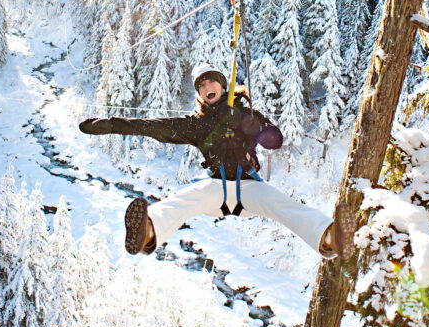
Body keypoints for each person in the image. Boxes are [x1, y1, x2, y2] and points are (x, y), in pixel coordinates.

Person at [79, 63, 338, 259]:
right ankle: (147, 231)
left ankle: (328, 236)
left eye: (211, 82)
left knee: (279, 204)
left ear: (222, 85)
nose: (206, 88)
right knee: (185, 199)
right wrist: (112, 125)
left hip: (249, 187)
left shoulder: (245, 112)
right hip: (216, 189)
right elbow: (153, 127)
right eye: (201, 86)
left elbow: (275, 141)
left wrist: (254, 126)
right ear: (199, 94)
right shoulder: (197, 125)